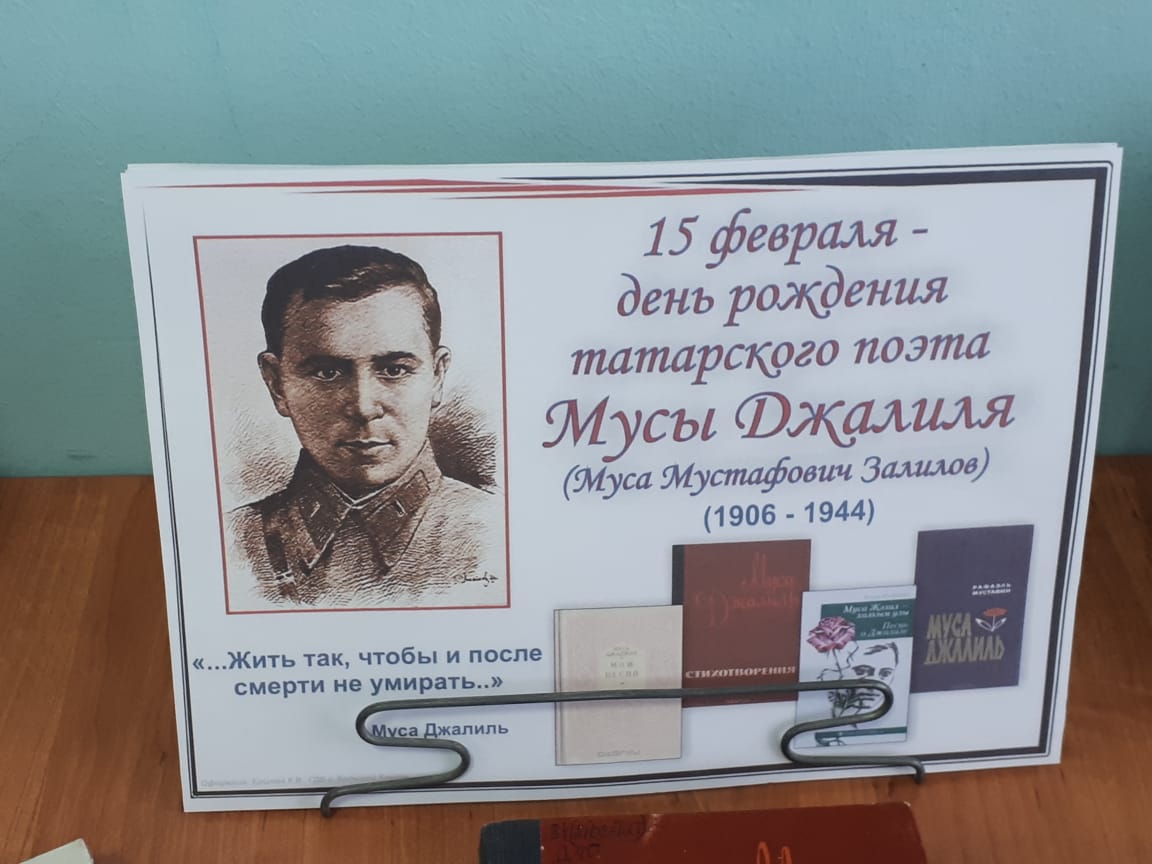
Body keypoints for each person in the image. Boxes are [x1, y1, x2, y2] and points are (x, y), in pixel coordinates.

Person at [227, 245, 506, 609]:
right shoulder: (225, 545)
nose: (363, 407)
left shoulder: (502, 535)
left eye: (394, 370)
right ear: (277, 384)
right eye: (328, 373)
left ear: (437, 376)